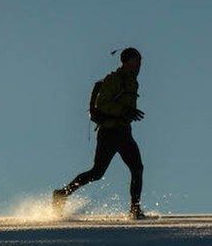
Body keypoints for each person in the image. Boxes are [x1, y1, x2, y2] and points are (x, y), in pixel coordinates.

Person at [53, 47, 148, 220]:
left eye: (140, 61)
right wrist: (125, 111)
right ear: (126, 62)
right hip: (109, 132)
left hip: (124, 132)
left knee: (137, 168)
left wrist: (127, 114)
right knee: (97, 172)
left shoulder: (132, 82)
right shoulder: (114, 80)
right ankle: (61, 194)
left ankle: (135, 210)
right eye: (136, 61)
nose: (140, 65)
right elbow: (102, 105)